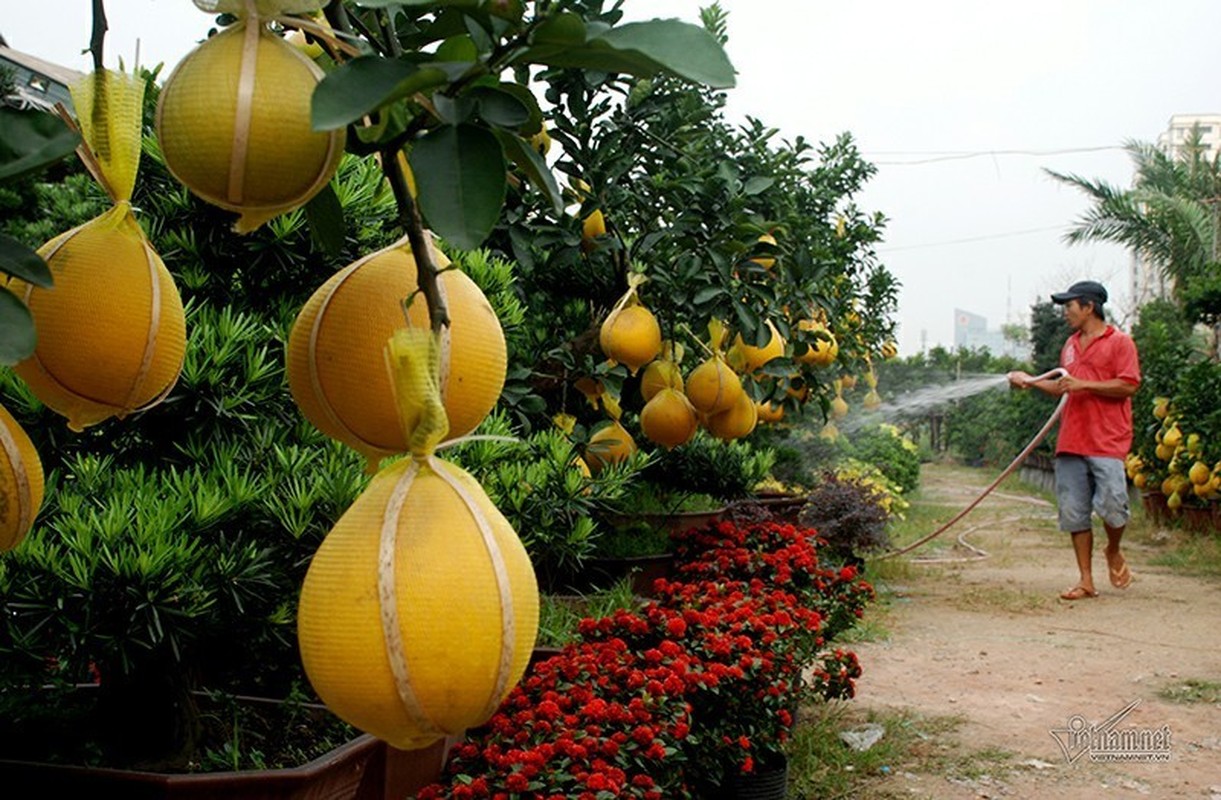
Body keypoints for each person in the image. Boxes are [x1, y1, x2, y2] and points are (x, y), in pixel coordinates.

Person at [1007, 280, 1141, 600]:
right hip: (1071, 439)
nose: (1065, 313)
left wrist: (1084, 385)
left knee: (1113, 507)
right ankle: (1085, 580)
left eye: (1070, 306)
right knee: (1074, 512)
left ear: (1088, 307)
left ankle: (1113, 549)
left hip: (1107, 439)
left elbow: (1128, 385)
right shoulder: (1069, 345)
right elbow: (1065, 387)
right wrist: (1031, 382)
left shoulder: (1119, 343)